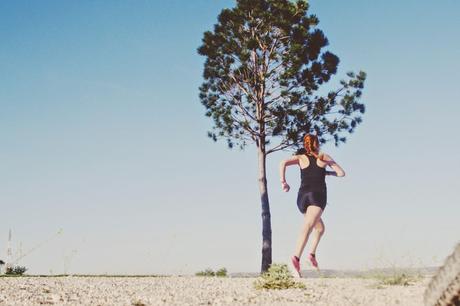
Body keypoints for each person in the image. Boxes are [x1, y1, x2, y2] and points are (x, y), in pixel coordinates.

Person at [279, 134, 345, 277]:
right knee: (308, 226)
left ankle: (311, 255)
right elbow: (341, 173)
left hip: (302, 198)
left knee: (320, 228)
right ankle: (295, 258)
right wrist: (327, 172)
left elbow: (283, 162)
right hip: (317, 195)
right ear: (317, 143)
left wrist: (283, 182)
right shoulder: (323, 157)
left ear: (305, 144)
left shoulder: (300, 158)